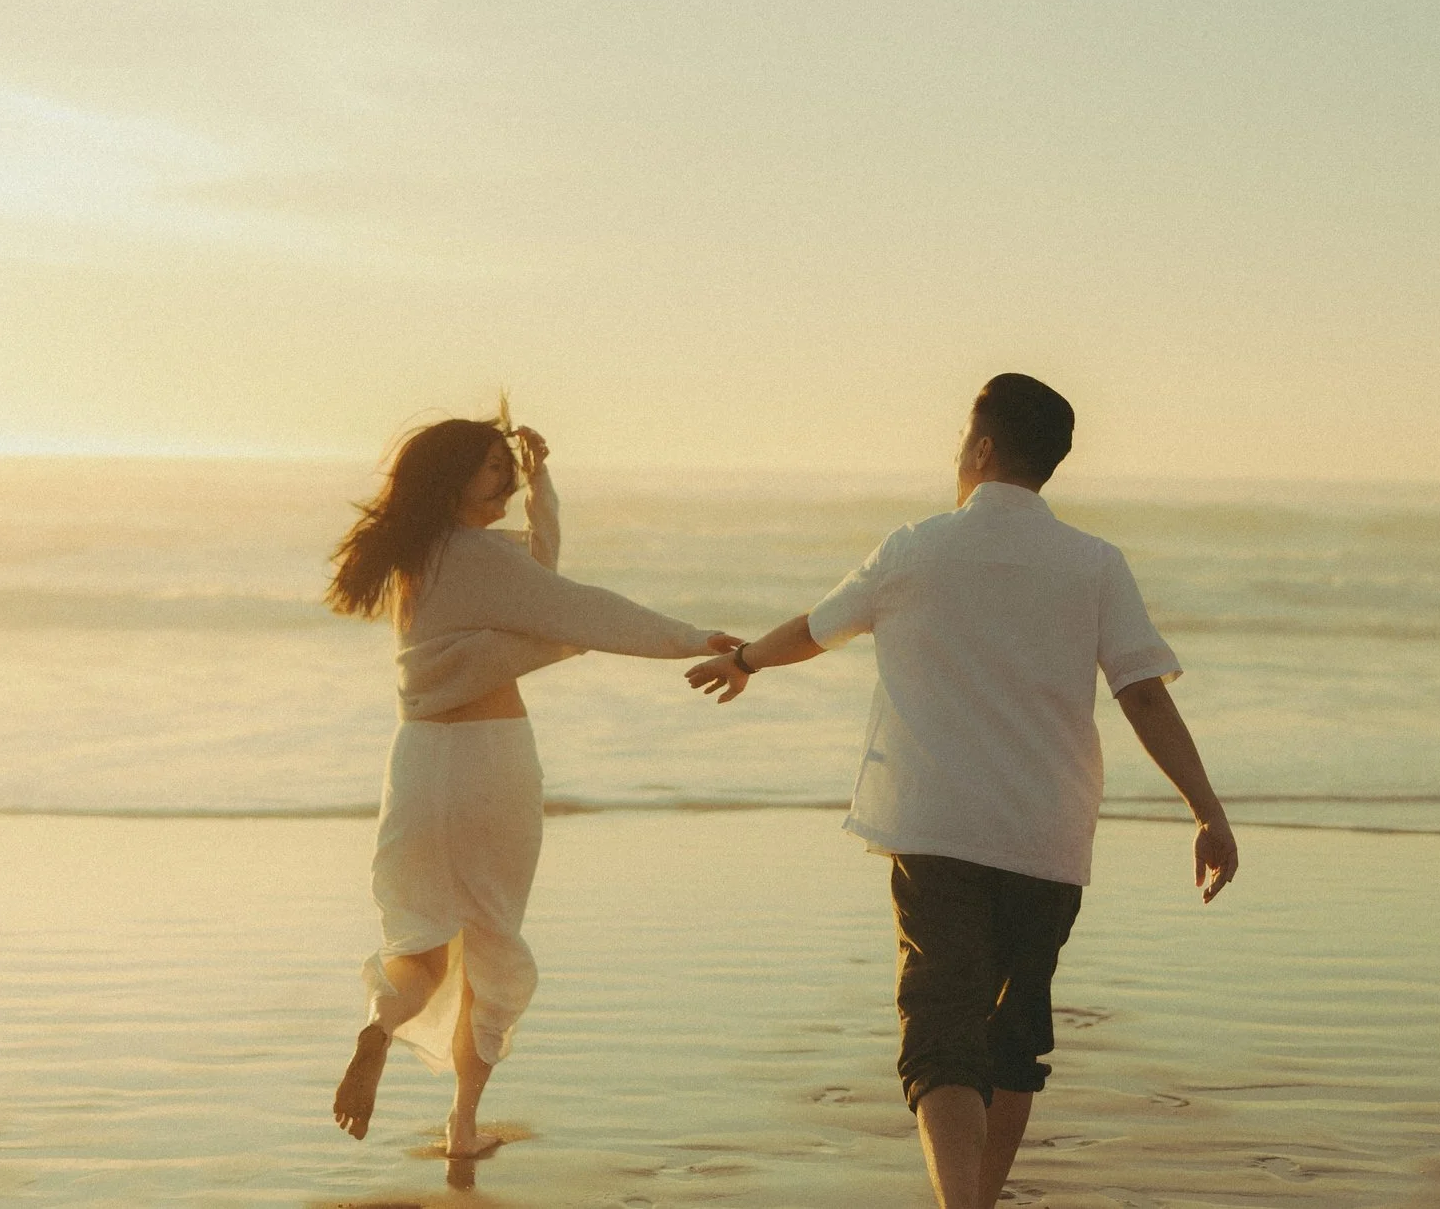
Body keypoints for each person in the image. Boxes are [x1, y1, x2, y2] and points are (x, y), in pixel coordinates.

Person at [684, 373, 1239, 1209]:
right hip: (1048, 836)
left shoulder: (915, 548)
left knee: (941, 1039)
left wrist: (744, 661)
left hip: (937, 829)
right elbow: (1145, 692)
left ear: (982, 447)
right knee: (1015, 1042)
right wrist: (1207, 810)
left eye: (961, 440)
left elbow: (817, 626)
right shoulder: (1094, 563)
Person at [327, 408, 737, 1159]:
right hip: (490, 762)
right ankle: (462, 1124)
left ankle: (381, 1026)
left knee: (421, 943)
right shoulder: (484, 561)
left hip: (416, 767)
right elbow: (584, 608)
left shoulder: (417, 561)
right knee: (490, 941)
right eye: (493, 467)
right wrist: (694, 639)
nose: (507, 479)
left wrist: (541, 481)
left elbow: (538, 579)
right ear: (452, 479)